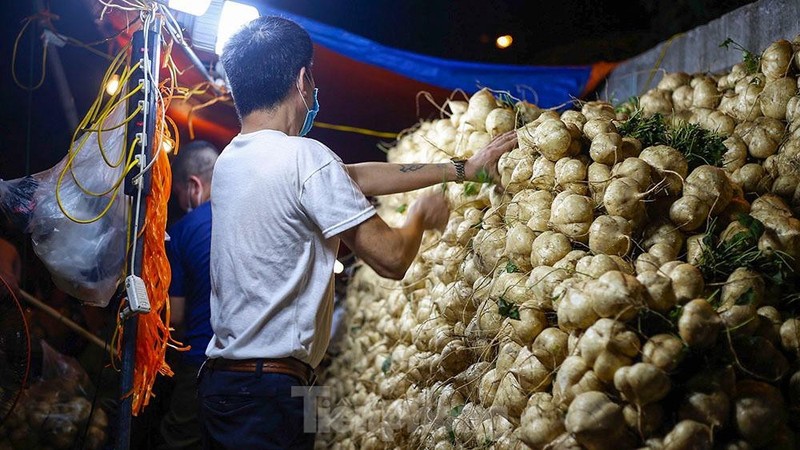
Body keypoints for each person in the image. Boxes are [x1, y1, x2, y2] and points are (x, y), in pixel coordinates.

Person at [197, 15, 518, 450]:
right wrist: (420, 215)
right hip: (270, 393)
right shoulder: (305, 159)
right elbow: (391, 260)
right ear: (302, 78)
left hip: (225, 386)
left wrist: (461, 169)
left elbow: (349, 176)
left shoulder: (232, 162)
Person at [158, 140, 220, 450]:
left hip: (201, 364)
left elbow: (176, 316)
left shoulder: (182, 231)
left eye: (181, 198)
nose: (182, 206)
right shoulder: (256, 215)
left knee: (178, 441)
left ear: (193, 185)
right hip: (276, 368)